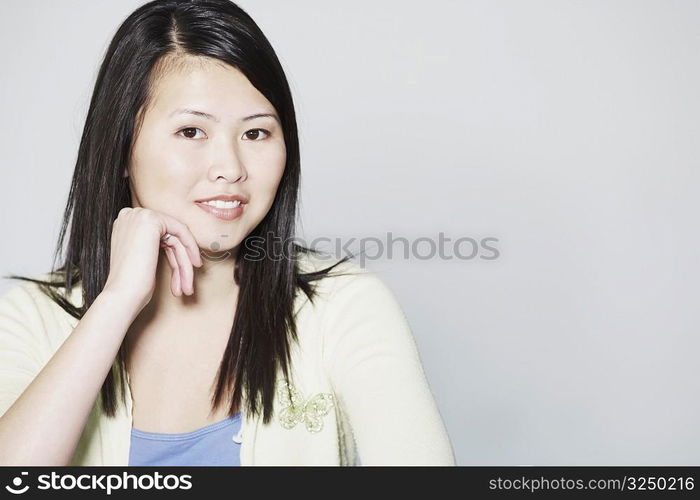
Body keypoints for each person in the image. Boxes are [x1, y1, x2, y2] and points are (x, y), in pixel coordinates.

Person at [0, 0, 455, 466]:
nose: (230, 169)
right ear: (120, 148)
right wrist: (114, 303)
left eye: (256, 134)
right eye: (192, 131)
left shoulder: (342, 307)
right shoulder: (31, 319)